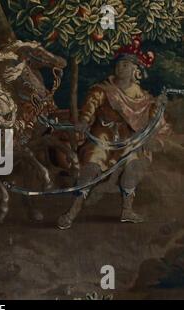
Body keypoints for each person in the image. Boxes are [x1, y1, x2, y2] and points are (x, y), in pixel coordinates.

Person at [57, 37, 172, 230]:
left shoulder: (145, 98)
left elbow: (156, 124)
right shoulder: (103, 90)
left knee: (133, 165)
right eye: (119, 64)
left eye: (126, 65)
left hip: (129, 141)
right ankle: (73, 210)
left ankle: (127, 209)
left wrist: (159, 111)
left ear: (136, 71)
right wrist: (84, 122)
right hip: (103, 136)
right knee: (92, 165)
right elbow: (90, 108)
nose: (121, 68)